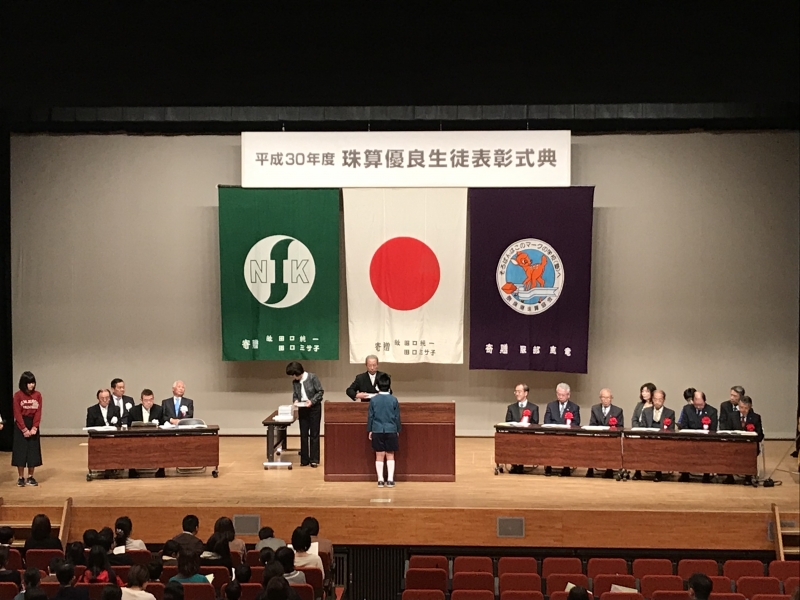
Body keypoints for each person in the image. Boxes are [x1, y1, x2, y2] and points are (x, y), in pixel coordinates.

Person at [286, 362, 324, 468]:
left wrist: (312, 401)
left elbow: (320, 392)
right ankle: (304, 459)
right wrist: (295, 400)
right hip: (302, 408)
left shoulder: (312, 377)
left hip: (314, 408)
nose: (293, 377)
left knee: (314, 434)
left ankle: (314, 459)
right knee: (303, 434)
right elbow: (295, 394)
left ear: (297, 373)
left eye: (293, 375)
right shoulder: (295, 382)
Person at [367, 373, 401, 487]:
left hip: (377, 429)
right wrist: (397, 429)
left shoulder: (373, 400)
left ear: (377, 386)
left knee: (379, 455)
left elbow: (370, 416)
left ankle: (380, 480)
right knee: (390, 454)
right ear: (389, 385)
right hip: (391, 429)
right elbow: (397, 417)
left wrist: (370, 430)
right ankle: (390, 480)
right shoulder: (394, 400)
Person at [678, 390, 719, 483]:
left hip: (705, 439)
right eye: (696, 405)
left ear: (705, 401)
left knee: (708, 448)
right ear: (693, 402)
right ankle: (684, 473)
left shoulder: (712, 411)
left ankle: (706, 474)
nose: (699, 407)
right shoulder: (687, 409)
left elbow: (713, 429)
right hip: (690, 438)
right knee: (683, 447)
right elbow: (683, 425)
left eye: (701, 405)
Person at [12, 371, 43, 487]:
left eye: (33, 383)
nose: (31, 385)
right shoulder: (17, 395)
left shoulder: (38, 395)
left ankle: (31, 476)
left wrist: (35, 427)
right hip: (21, 425)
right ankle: (21, 477)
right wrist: (24, 429)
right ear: (24, 383)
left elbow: (38, 412)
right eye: (29, 383)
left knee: (32, 451)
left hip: (32, 423)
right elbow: (17, 413)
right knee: (20, 452)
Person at [543, 383, 581, 476]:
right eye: (558, 394)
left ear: (568, 395)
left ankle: (566, 467)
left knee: (568, 442)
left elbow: (576, 423)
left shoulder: (574, 407)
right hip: (553, 433)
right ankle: (548, 466)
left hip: (567, 434)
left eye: (563, 395)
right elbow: (546, 421)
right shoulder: (551, 406)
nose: (560, 397)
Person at [586, 388, 624, 478]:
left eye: (608, 398)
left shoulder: (618, 411)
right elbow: (592, 424)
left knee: (612, 444)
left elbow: (620, 427)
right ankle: (590, 468)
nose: (606, 400)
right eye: (604, 397)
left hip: (611, 437)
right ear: (600, 398)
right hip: (598, 436)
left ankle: (609, 469)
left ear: (611, 398)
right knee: (590, 443)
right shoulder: (595, 409)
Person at [640, 389, 676, 482]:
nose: (657, 402)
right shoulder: (646, 411)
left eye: (660, 400)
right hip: (648, 438)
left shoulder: (670, 413)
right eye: (655, 399)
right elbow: (643, 426)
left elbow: (671, 429)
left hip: (662, 439)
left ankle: (658, 472)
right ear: (652, 399)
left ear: (664, 400)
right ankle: (637, 471)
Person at [729, 395, 764, 485]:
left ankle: (748, 476)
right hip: (735, 444)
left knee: (749, 451)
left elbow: (760, 435)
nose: (743, 410)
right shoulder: (732, 416)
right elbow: (727, 431)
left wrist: (752, 435)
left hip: (749, 445)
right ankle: (729, 476)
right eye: (741, 407)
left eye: (745, 408)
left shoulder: (756, 417)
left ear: (750, 407)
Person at [505, 383, 539, 474]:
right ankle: (514, 464)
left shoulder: (534, 408)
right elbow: (508, 422)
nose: (517, 394)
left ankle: (521, 464)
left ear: (526, 393)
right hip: (514, 436)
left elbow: (535, 423)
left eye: (519, 392)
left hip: (528, 436)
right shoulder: (511, 407)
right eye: (515, 392)